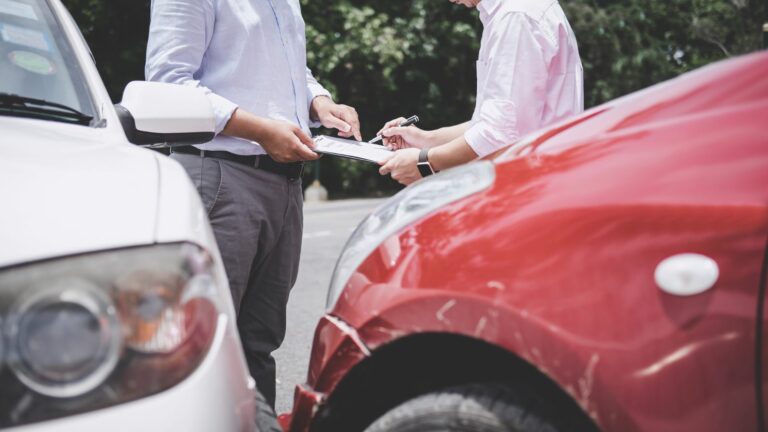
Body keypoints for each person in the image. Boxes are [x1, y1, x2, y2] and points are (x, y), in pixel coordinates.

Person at [145, 0, 361, 408]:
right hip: (221, 176)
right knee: (206, 344)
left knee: (258, 343)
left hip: (284, 183)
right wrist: (260, 130)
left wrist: (320, 102)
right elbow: (168, 82)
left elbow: (287, 74)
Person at [379, 0, 583, 185]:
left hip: (534, 186)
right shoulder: (513, 13)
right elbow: (499, 123)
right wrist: (427, 138)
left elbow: (499, 133)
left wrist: (425, 161)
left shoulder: (515, 16)